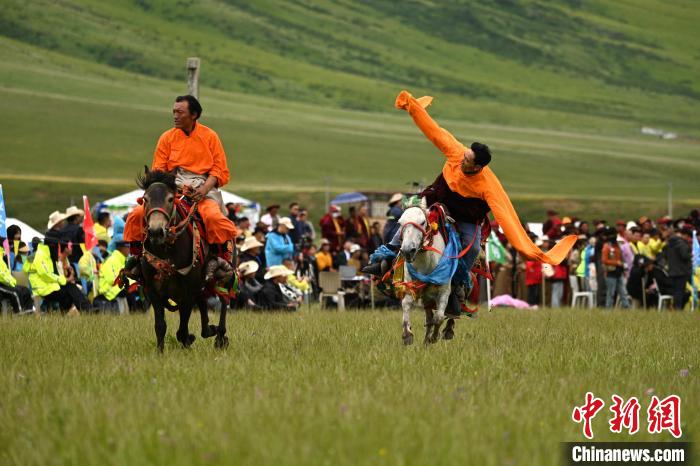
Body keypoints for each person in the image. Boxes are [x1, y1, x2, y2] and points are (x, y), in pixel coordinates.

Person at [365, 90, 576, 318]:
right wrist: (412, 105)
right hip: (438, 197)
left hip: (466, 217)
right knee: (411, 216)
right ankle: (385, 258)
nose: (462, 159)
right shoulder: (457, 152)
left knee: (473, 247)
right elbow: (433, 130)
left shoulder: (488, 186)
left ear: (478, 167)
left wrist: (536, 253)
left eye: (467, 160)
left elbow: (508, 219)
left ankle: (456, 287)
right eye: (465, 155)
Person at [123, 95, 238, 269]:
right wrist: (175, 188)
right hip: (172, 187)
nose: (175, 116)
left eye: (180, 112)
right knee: (137, 215)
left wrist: (204, 190)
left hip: (203, 186)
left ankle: (220, 261)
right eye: (174, 112)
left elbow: (219, 169)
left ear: (194, 115)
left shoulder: (210, 136)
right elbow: (159, 171)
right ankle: (137, 258)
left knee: (214, 218)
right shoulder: (166, 138)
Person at [94, 240, 130, 311]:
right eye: (128, 247)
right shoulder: (112, 260)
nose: (129, 249)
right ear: (121, 248)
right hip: (108, 292)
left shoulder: (121, 260)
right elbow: (112, 280)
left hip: (116, 289)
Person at [0, 240, 34, 313]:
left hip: (10, 283)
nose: (26, 254)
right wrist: (10, 282)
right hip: (3, 284)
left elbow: (6, 273)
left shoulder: (1, 258)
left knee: (25, 290)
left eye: (26, 252)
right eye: (24, 252)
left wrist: (12, 282)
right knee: (16, 292)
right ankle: (20, 313)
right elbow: (2, 275)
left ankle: (29, 311)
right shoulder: (12, 260)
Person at [663, 225, 692, 310]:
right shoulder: (682, 243)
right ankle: (678, 309)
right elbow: (685, 256)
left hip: (672, 272)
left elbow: (665, 256)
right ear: (685, 235)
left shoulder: (669, 244)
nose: (689, 239)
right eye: (689, 237)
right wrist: (692, 255)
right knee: (680, 291)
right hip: (681, 272)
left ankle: (675, 308)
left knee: (675, 292)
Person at [602, 232, 630, 308]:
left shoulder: (618, 248)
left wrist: (622, 266)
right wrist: (616, 263)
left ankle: (626, 307)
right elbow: (604, 260)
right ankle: (608, 309)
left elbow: (620, 258)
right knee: (611, 293)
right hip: (610, 273)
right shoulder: (607, 247)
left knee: (623, 292)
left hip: (618, 272)